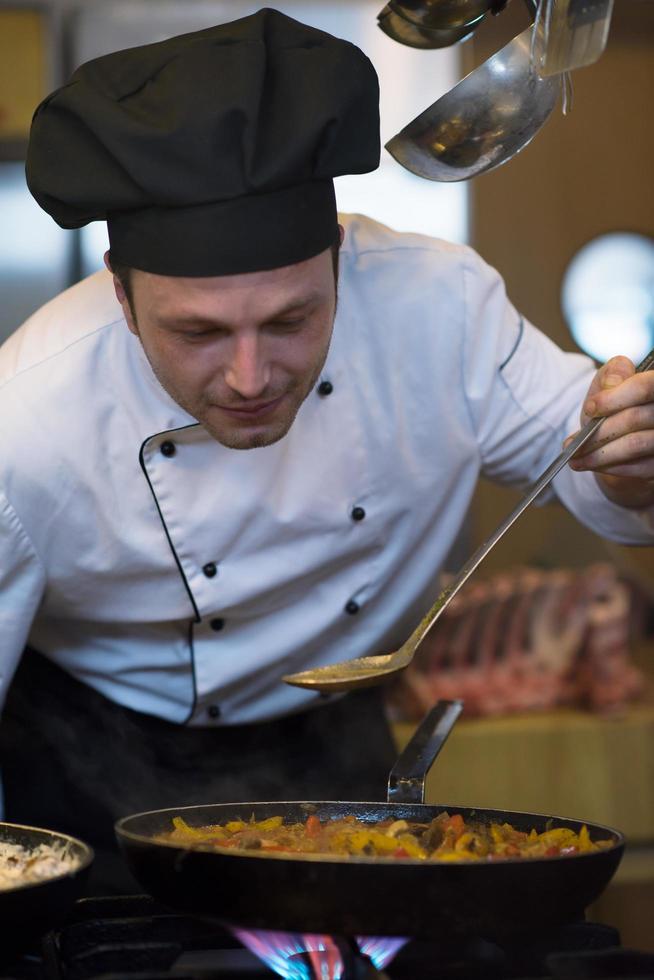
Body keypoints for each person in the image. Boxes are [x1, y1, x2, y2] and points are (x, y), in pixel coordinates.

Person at [0, 8, 653, 893]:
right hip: (92, 764)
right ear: (119, 296)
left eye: (291, 320)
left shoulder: (442, 309)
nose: (248, 374)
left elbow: (585, 463)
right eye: (197, 332)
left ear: (342, 260)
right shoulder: (27, 419)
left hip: (334, 744)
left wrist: (628, 461)